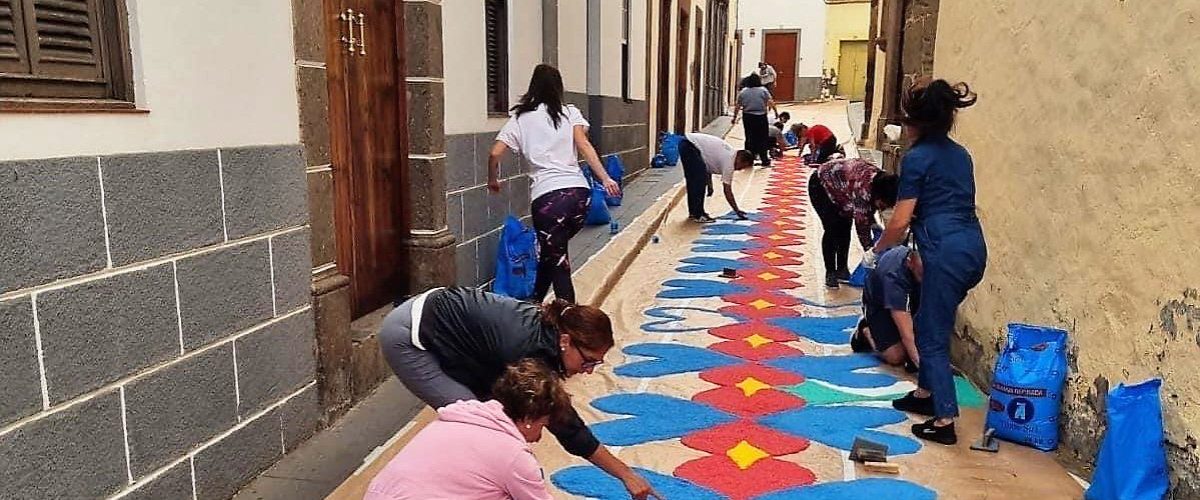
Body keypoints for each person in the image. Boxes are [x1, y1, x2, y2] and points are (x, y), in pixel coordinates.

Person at [379, 287, 661, 499]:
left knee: (488, 423)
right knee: (476, 422)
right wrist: (625, 474)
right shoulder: (525, 352)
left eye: (596, 364)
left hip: (443, 317)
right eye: (588, 360)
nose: (588, 370)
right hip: (411, 336)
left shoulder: (548, 337)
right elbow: (567, 425)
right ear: (565, 340)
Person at [868, 79, 987, 446]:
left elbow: (901, 220)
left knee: (931, 334)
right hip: (970, 248)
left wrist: (876, 251)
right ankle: (923, 394)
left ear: (915, 123)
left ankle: (944, 419)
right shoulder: (960, 155)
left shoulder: (917, 158)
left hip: (944, 253)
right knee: (928, 318)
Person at [490, 64, 621, 303]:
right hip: (580, 197)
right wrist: (605, 178)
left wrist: (493, 179)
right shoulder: (570, 113)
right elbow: (584, 146)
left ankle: (569, 323)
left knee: (557, 257)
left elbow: (495, 153)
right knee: (551, 252)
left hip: (548, 200)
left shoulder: (520, 118)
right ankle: (536, 302)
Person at [365, 359, 568, 500]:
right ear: (529, 419)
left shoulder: (459, 418)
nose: (539, 438)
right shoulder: (513, 456)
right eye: (543, 425)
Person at [809, 158, 899, 288]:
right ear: (879, 196)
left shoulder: (881, 182)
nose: (882, 209)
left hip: (842, 189)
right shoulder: (863, 188)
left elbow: (868, 209)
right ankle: (830, 272)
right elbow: (861, 225)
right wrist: (870, 251)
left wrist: (873, 224)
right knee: (833, 228)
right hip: (821, 185)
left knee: (845, 227)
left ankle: (842, 269)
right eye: (883, 205)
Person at [850, 244, 922, 370]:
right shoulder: (894, 278)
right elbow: (907, 335)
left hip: (906, 294)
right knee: (896, 356)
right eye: (921, 274)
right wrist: (926, 372)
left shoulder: (924, 266)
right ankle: (866, 330)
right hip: (878, 303)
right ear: (910, 263)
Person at [678, 132, 755, 223]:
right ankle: (698, 215)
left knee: (695, 180)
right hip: (691, 146)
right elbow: (727, 190)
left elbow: (707, 166)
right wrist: (737, 210)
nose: (739, 169)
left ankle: (695, 212)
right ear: (740, 159)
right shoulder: (729, 162)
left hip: (688, 143)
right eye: (741, 166)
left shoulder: (730, 153)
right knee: (698, 181)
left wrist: (709, 185)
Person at [732, 73, 778, 167]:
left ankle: (749, 159)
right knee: (762, 138)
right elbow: (770, 102)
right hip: (761, 117)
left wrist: (734, 117)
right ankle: (764, 159)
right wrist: (776, 112)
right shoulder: (763, 90)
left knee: (749, 138)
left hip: (748, 117)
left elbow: (738, 105)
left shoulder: (743, 92)